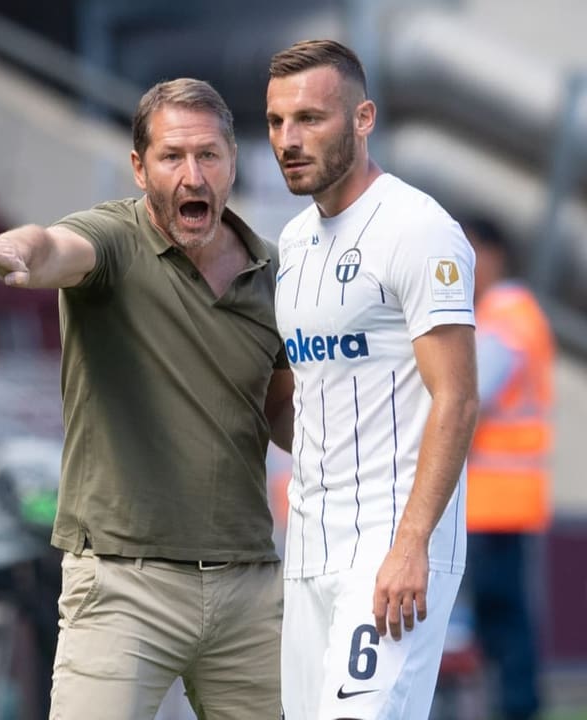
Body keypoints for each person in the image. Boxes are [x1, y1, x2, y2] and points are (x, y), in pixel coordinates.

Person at [0, 78, 293, 719]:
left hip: (249, 583)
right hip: (122, 585)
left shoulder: (277, 272)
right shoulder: (113, 240)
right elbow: (57, 247)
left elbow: (283, 414)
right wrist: (20, 252)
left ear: (232, 163)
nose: (191, 174)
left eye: (208, 156)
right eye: (172, 157)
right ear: (140, 168)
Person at [264, 39, 480, 719]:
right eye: (275, 122)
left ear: (363, 119)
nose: (289, 140)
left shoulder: (418, 230)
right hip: (308, 545)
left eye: (311, 119)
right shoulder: (293, 243)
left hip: (393, 546)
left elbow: (459, 396)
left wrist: (411, 543)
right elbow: (299, 403)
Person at [460, 216, 554, 720]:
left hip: (499, 504)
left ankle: (516, 708)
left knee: (502, 620)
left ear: (491, 255)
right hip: (499, 502)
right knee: (502, 619)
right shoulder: (508, 315)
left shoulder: (506, 317)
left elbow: (468, 393)